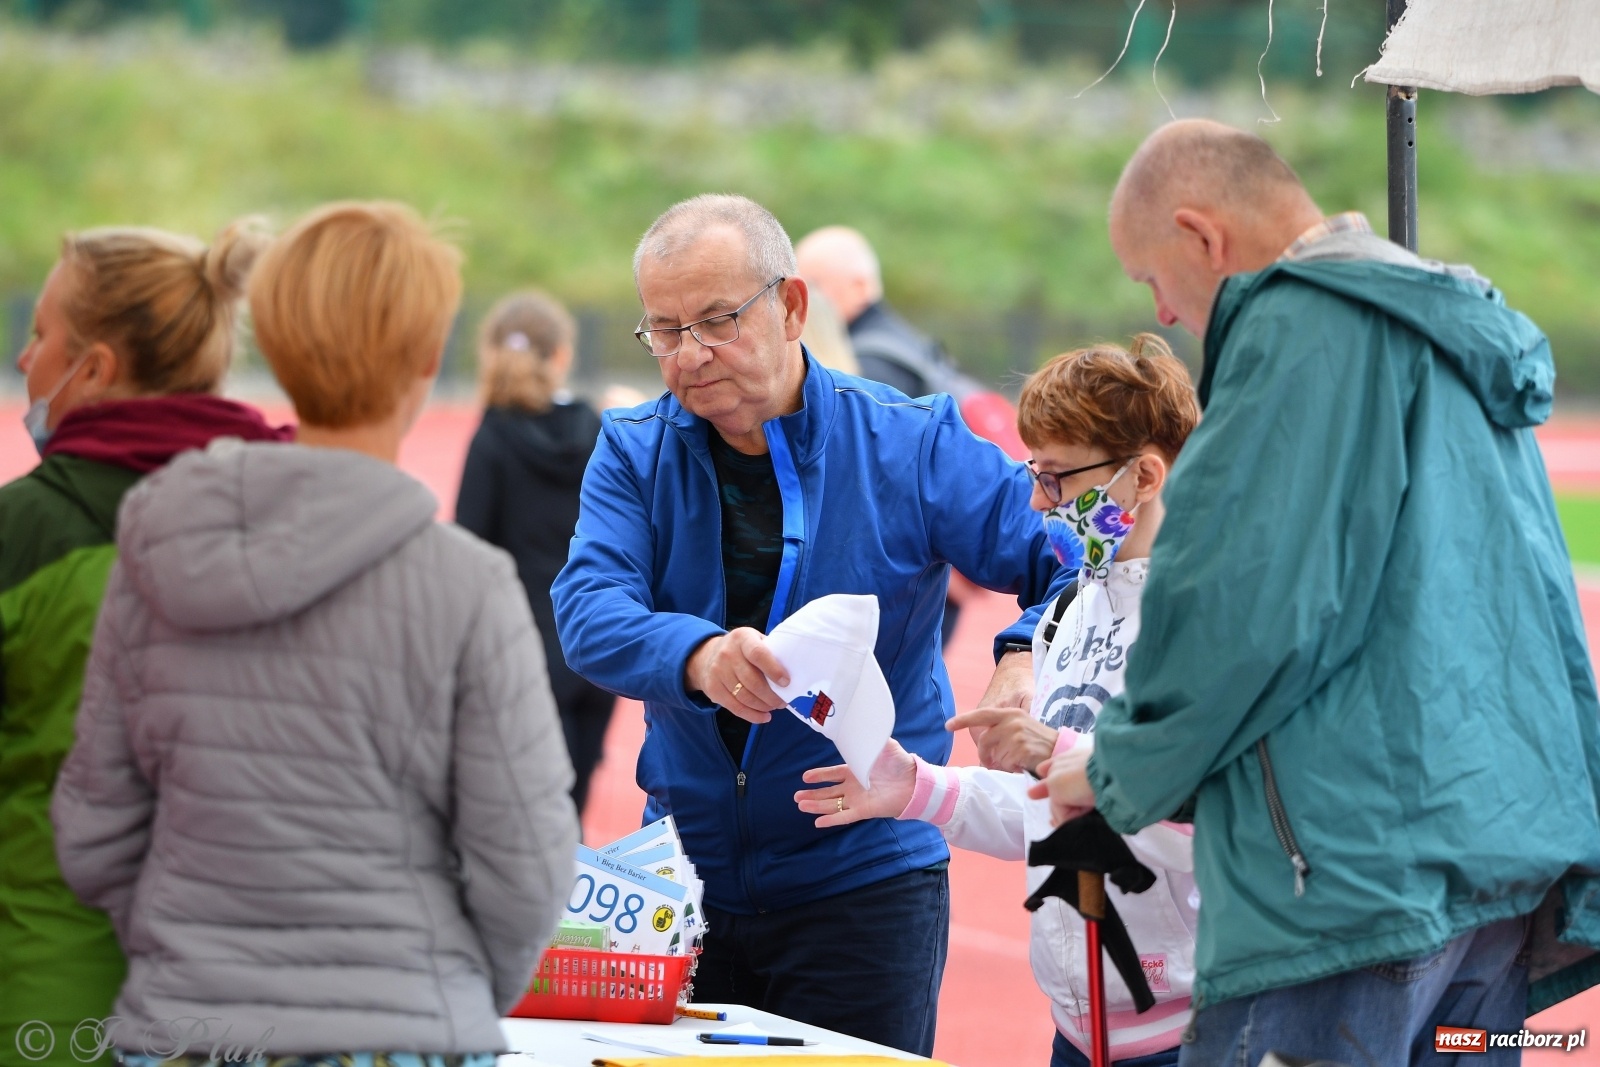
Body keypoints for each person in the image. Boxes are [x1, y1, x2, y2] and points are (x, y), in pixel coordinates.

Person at [1033, 119, 1600, 1065]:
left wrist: (1113, 769)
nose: (1166, 313)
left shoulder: (1296, 335)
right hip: (1496, 880)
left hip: (1347, 891)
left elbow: (1234, 611)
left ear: (1202, 236)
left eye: (1152, 278)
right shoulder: (1442, 331)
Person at [52, 201, 579, 1066]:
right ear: (428, 359)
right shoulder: (468, 585)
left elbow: (93, 829)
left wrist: (190, 947)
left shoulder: (158, 549)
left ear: (278, 343)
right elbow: (526, 860)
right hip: (399, 1028)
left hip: (184, 1028)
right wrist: (443, 986)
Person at [552, 194, 1069, 1055]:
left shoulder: (910, 442)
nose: (690, 353)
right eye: (665, 329)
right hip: (685, 880)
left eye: (717, 320)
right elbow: (587, 608)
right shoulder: (633, 449)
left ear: (792, 307)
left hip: (865, 881)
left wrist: (1020, 656)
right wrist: (699, 655)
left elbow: (1070, 557)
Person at [796, 335, 1202, 1067]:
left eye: (1058, 478)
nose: (1040, 503)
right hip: (1080, 1031)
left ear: (1144, 474)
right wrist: (918, 787)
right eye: (1033, 473)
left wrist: (1064, 753)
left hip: (1191, 1031)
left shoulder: (1213, 615)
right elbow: (1049, 815)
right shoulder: (1064, 613)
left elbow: (1224, 827)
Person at [0, 220, 292, 1067]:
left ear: (95, 368)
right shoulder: (304, 520)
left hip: (55, 1010)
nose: (25, 360)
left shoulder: (23, 535)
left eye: (40, 334)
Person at [456, 290, 613, 816]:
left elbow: (469, 552)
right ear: (562, 355)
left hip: (525, 651)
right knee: (576, 815)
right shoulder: (594, 427)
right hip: (596, 644)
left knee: (530, 822)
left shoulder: (493, 439)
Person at [795, 225, 989, 645]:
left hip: (905, 578)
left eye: (814, 284)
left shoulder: (868, 367)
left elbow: (874, 484)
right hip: (928, 571)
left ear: (860, 284)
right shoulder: (911, 345)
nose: (800, 296)